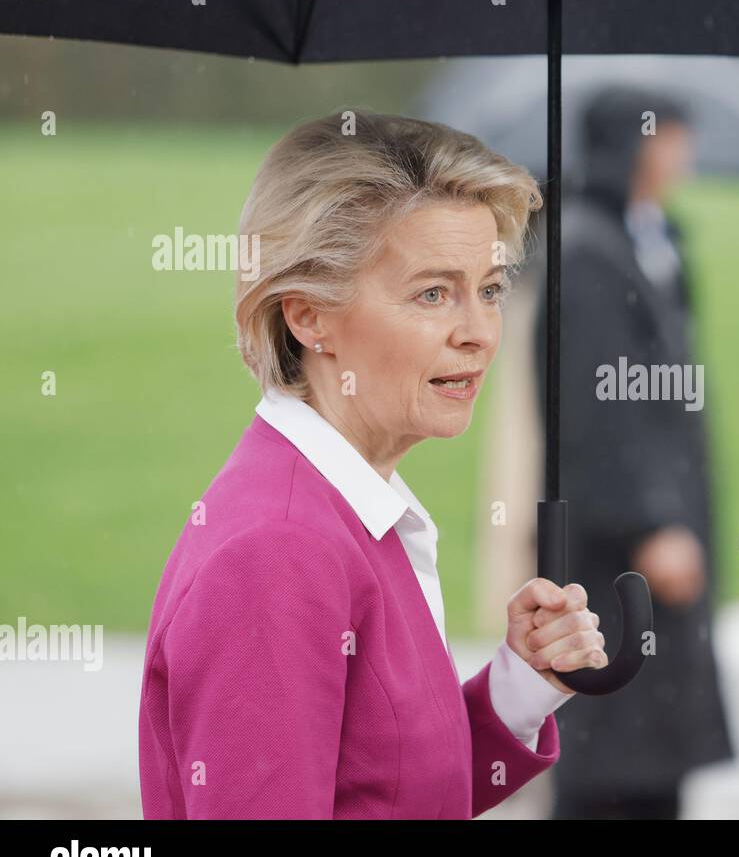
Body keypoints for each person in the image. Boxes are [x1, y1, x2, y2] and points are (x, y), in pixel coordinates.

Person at [139, 112, 607, 819]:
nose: (478, 334)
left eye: (489, 289)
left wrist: (519, 686)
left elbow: (389, 792)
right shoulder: (279, 553)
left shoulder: (347, 507)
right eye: (432, 293)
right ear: (308, 315)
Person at [534, 87, 734, 820]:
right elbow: (592, 410)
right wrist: (651, 522)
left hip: (665, 522)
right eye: (670, 136)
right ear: (634, 144)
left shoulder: (655, 240)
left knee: (659, 746)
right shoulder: (587, 253)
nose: (683, 153)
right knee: (610, 744)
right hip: (615, 548)